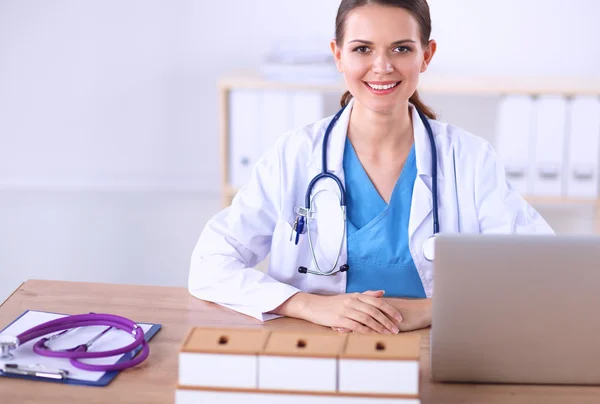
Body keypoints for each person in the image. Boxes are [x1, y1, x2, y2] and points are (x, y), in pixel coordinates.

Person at [188, 0, 554, 334]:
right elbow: (210, 263)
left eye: (402, 48)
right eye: (362, 48)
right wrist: (311, 306)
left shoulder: (469, 160)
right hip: (313, 350)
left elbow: (543, 268)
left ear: (426, 55)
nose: (382, 66)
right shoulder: (295, 155)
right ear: (338, 55)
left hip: (437, 350)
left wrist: (433, 310)